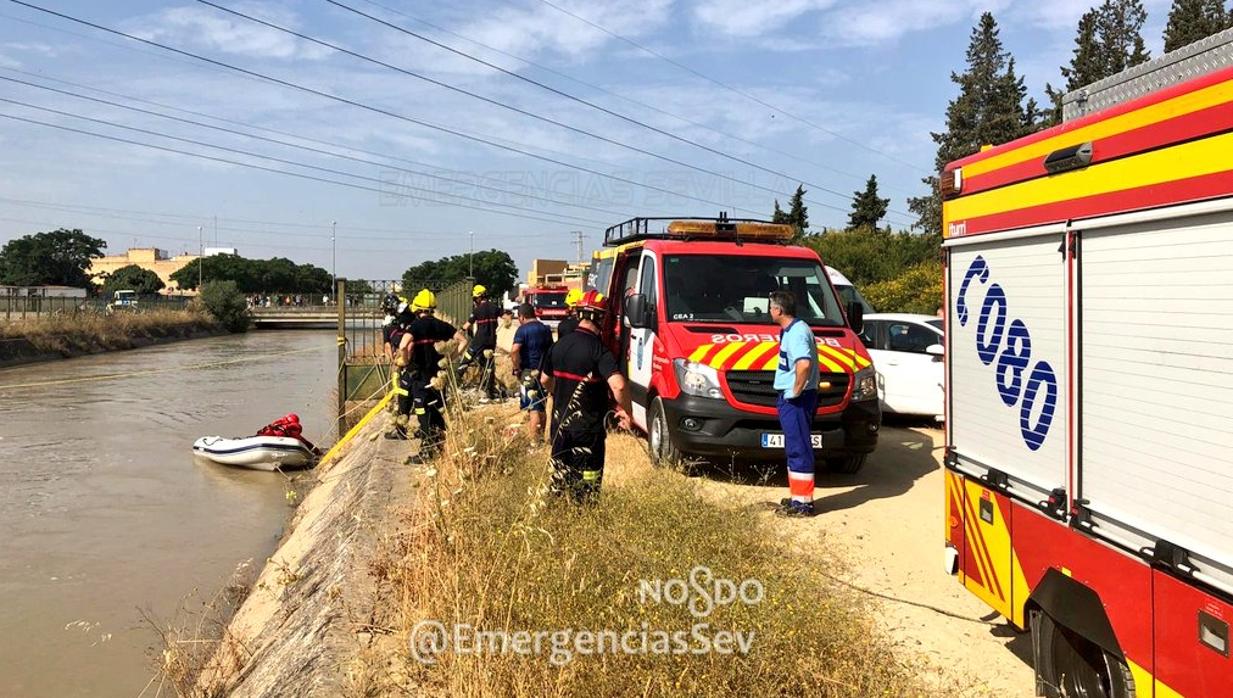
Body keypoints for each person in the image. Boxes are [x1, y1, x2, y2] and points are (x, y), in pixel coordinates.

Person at [540, 290, 632, 503]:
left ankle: (559, 512)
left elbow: (545, 380)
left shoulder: (559, 345)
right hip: (587, 431)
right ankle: (584, 513)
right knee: (587, 482)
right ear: (601, 318)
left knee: (560, 477)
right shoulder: (599, 350)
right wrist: (626, 411)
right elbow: (618, 386)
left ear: (579, 314)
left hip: (559, 426)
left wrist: (562, 392)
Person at [769, 290, 821, 518]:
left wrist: (794, 392)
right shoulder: (791, 330)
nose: (769, 311)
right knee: (794, 447)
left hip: (797, 399)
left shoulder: (797, 332)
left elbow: (803, 365)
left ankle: (803, 504)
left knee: (799, 447)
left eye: (771, 307)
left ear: (779, 310)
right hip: (793, 397)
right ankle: (797, 497)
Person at [400, 289, 458, 463]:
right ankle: (440, 447)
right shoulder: (441, 325)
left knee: (422, 412)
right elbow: (462, 340)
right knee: (438, 410)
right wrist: (450, 359)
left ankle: (426, 452)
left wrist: (407, 363)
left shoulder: (415, 326)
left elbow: (404, 346)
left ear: (417, 309)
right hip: (439, 377)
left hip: (421, 377)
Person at [510, 303, 554, 442]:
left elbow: (514, 350)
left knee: (533, 407)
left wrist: (517, 368)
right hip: (544, 372)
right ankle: (541, 438)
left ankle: (534, 442)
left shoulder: (522, 330)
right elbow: (551, 349)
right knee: (542, 404)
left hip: (528, 371)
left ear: (521, 316)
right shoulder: (545, 329)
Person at [457, 284, 501, 401]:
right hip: (491, 341)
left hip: (479, 340)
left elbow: (467, 326)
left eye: (475, 298)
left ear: (479, 297)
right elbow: (506, 316)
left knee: (467, 358)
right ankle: (489, 391)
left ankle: (456, 379)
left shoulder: (477, 310)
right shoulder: (494, 307)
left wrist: (459, 331)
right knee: (488, 365)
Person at [256, 413, 320, 455]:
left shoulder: (276, 426)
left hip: (269, 443)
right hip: (274, 443)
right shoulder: (291, 430)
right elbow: (305, 442)